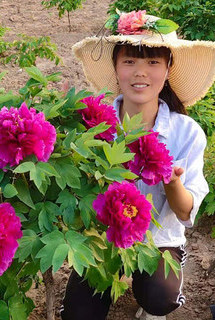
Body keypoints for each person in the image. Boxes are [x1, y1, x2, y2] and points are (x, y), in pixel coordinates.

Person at [60, 11, 215, 320]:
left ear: (168, 69)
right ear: (116, 68)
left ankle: (148, 298)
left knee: (160, 298)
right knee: (79, 314)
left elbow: (185, 212)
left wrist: (172, 182)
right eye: (129, 61)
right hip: (100, 238)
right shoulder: (96, 125)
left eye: (153, 62)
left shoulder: (185, 133)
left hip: (156, 243)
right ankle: (113, 274)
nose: (140, 72)